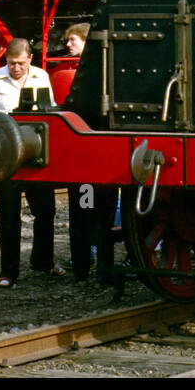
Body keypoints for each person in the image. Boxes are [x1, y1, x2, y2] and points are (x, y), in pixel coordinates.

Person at [0, 37, 62, 287]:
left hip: (35, 157)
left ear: (30, 59)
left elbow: (50, 112)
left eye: (20, 63)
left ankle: (43, 261)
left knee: (45, 211)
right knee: (8, 216)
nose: (15, 68)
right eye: (11, 63)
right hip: (7, 158)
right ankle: (8, 272)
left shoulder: (41, 77)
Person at [59, 23, 118, 283]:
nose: (67, 45)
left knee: (84, 214)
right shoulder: (109, 68)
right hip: (102, 156)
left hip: (86, 158)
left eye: (72, 40)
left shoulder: (81, 77)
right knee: (100, 216)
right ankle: (101, 269)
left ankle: (84, 270)